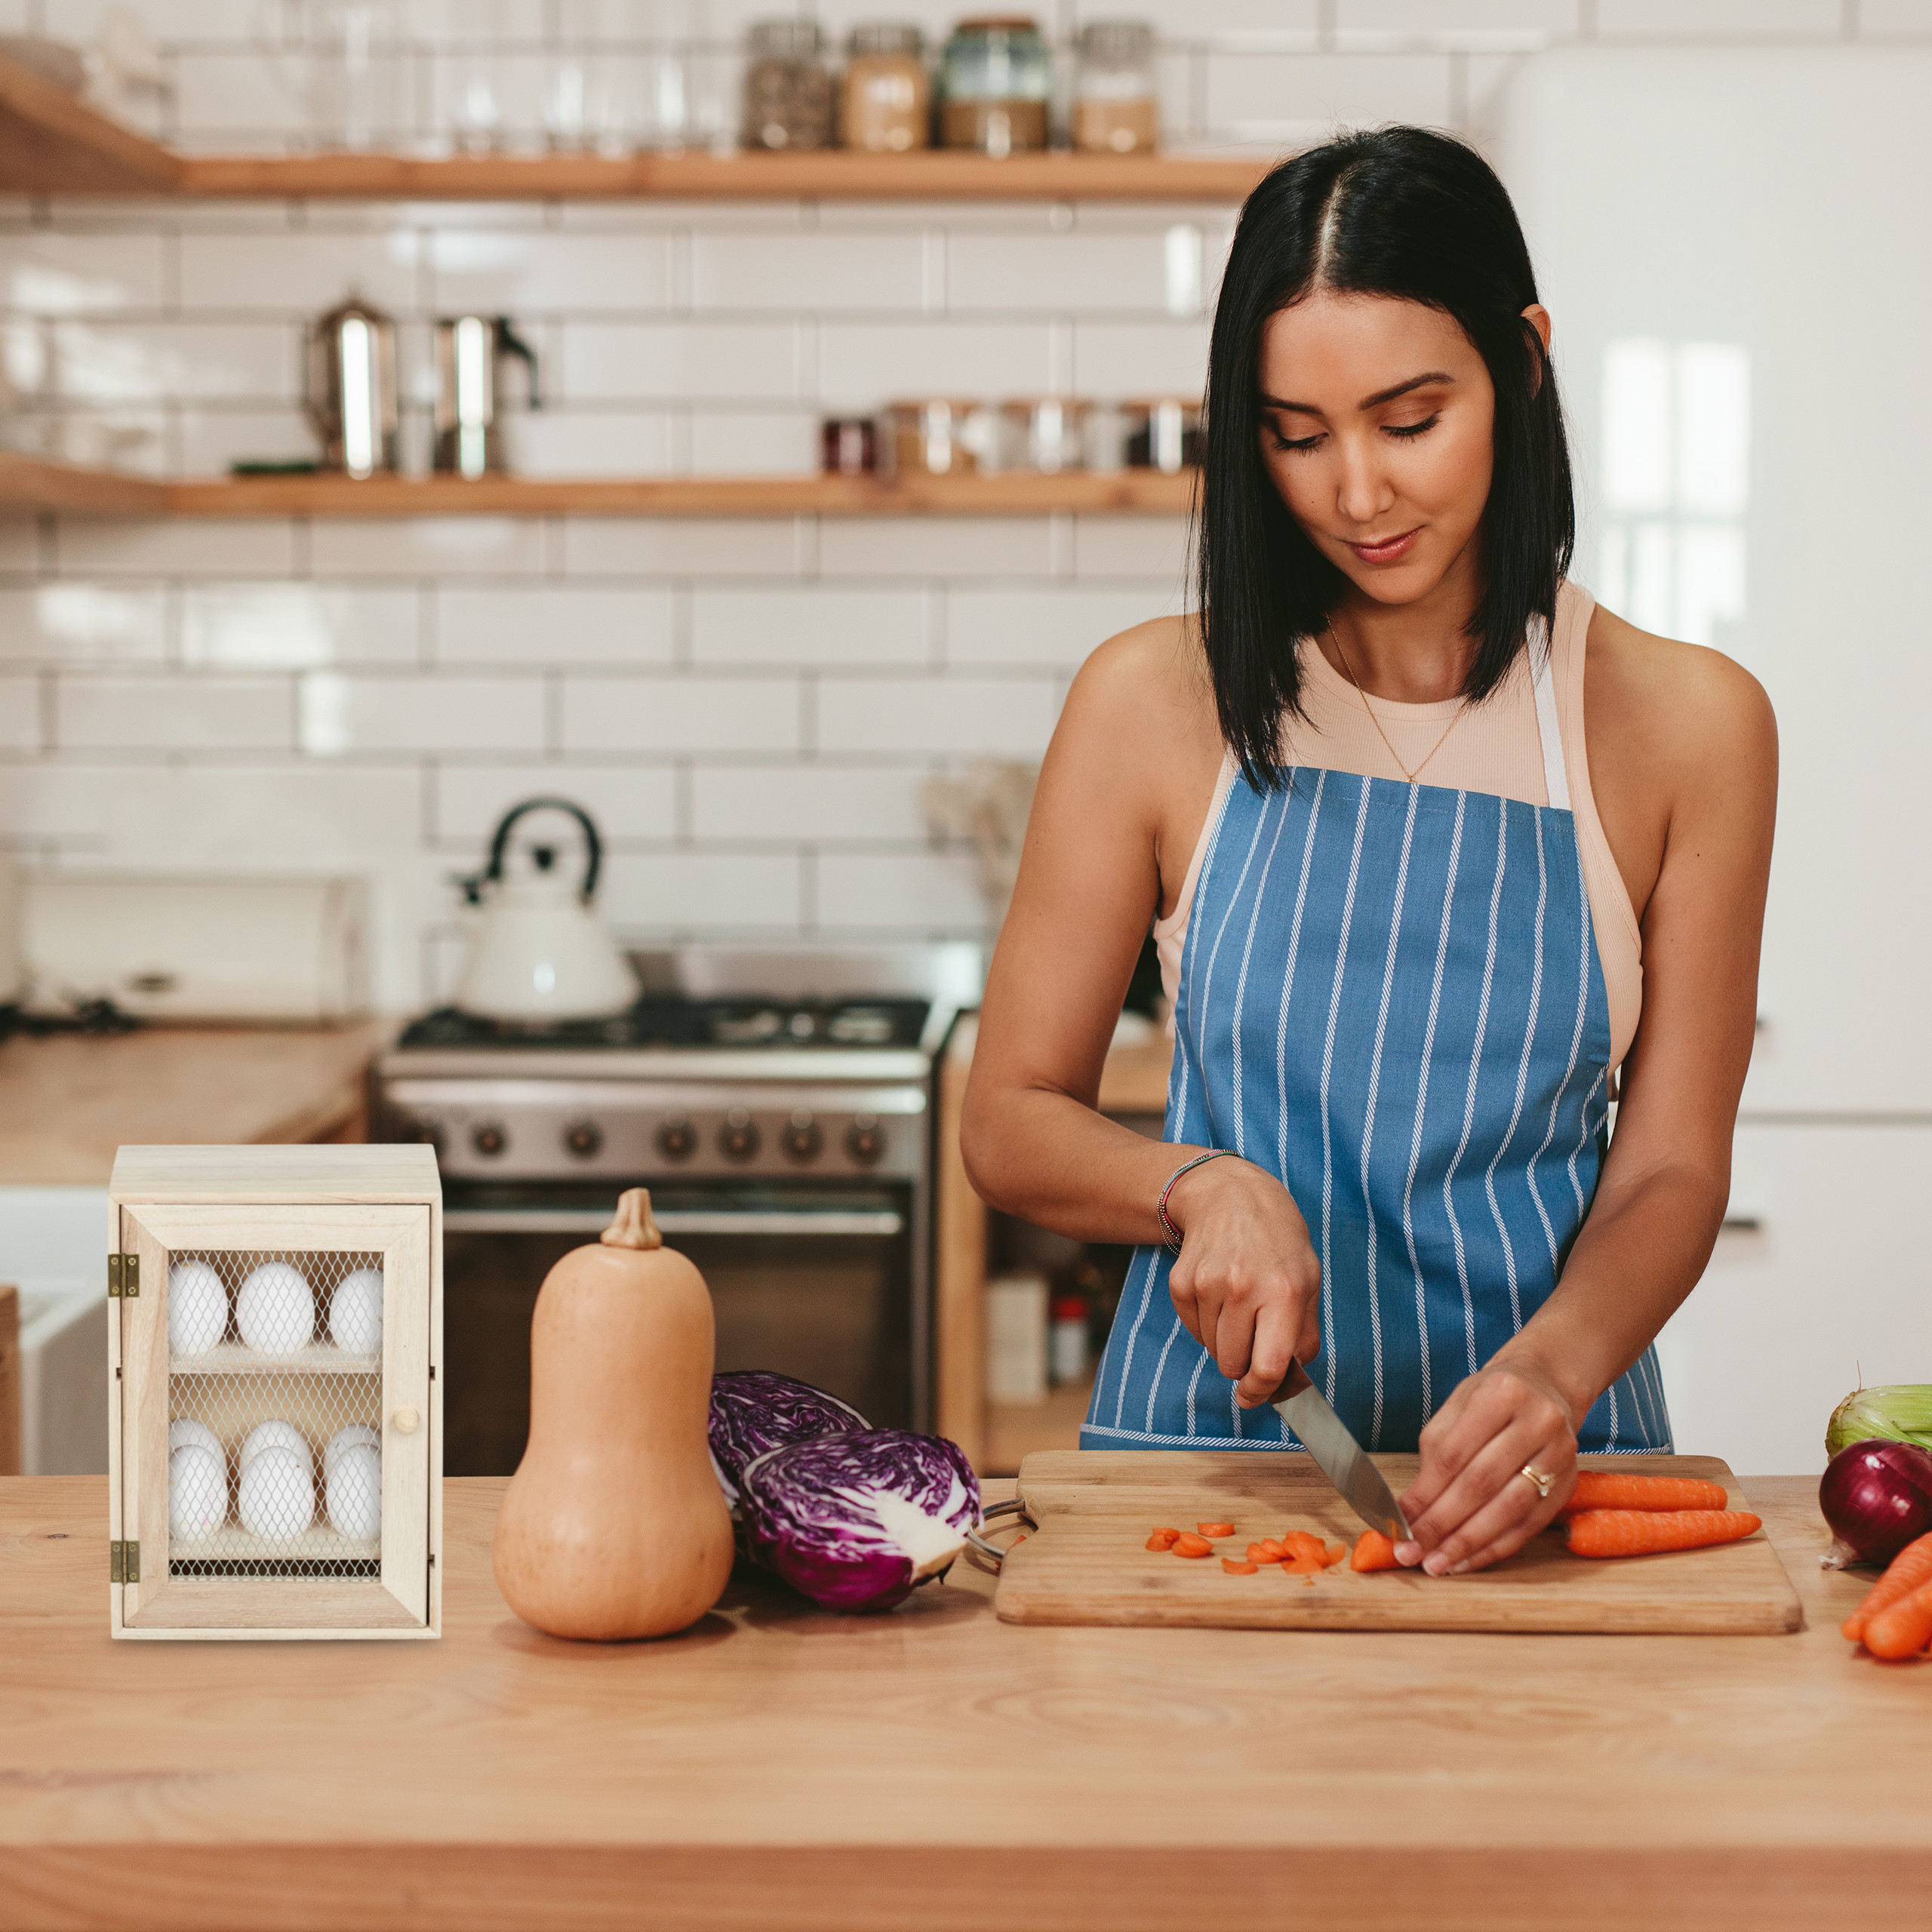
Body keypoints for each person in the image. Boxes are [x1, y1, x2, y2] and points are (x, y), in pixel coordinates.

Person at [960, 126, 1776, 1577]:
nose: (1356, 493)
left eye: (1410, 420)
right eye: (1296, 433)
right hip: (1201, 1484)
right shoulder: (1150, 701)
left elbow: (1670, 1171)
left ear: (1522, 362)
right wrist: (1195, 1183)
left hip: (1556, 1481)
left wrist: (1554, 1375)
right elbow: (1010, 1116)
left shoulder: (1688, 728)